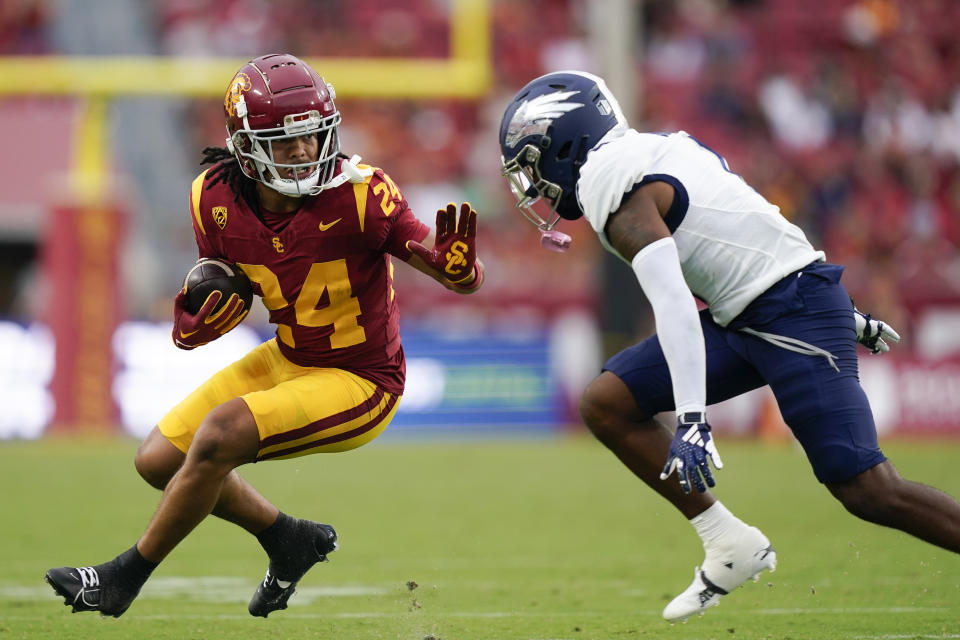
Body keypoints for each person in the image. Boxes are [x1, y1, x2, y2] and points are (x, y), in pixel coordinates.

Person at [497, 70, 960, 623]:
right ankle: (728, 543)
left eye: (532, 163)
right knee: (608, 402)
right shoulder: (655, 149)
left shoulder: (607, 178)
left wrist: (693, 417)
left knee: (867, 489)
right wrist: (849, 315)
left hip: (790, 313)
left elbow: (673, 305)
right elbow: (741, 227)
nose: (534, 185)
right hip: (752, 312)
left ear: (565, 143)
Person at [45, 53, 484, 619]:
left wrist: (460, 270)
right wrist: (193, 325)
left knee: (220, 432)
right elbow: (211, 292)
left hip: (361, 379)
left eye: (312, 137)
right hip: (288, 355)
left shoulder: (361, 193)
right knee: (157, 461)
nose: (303, 151)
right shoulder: (214, 198)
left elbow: (446, 264)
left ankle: (125, 576)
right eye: (284, 140)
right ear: (244, 145)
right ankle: (287, 538)